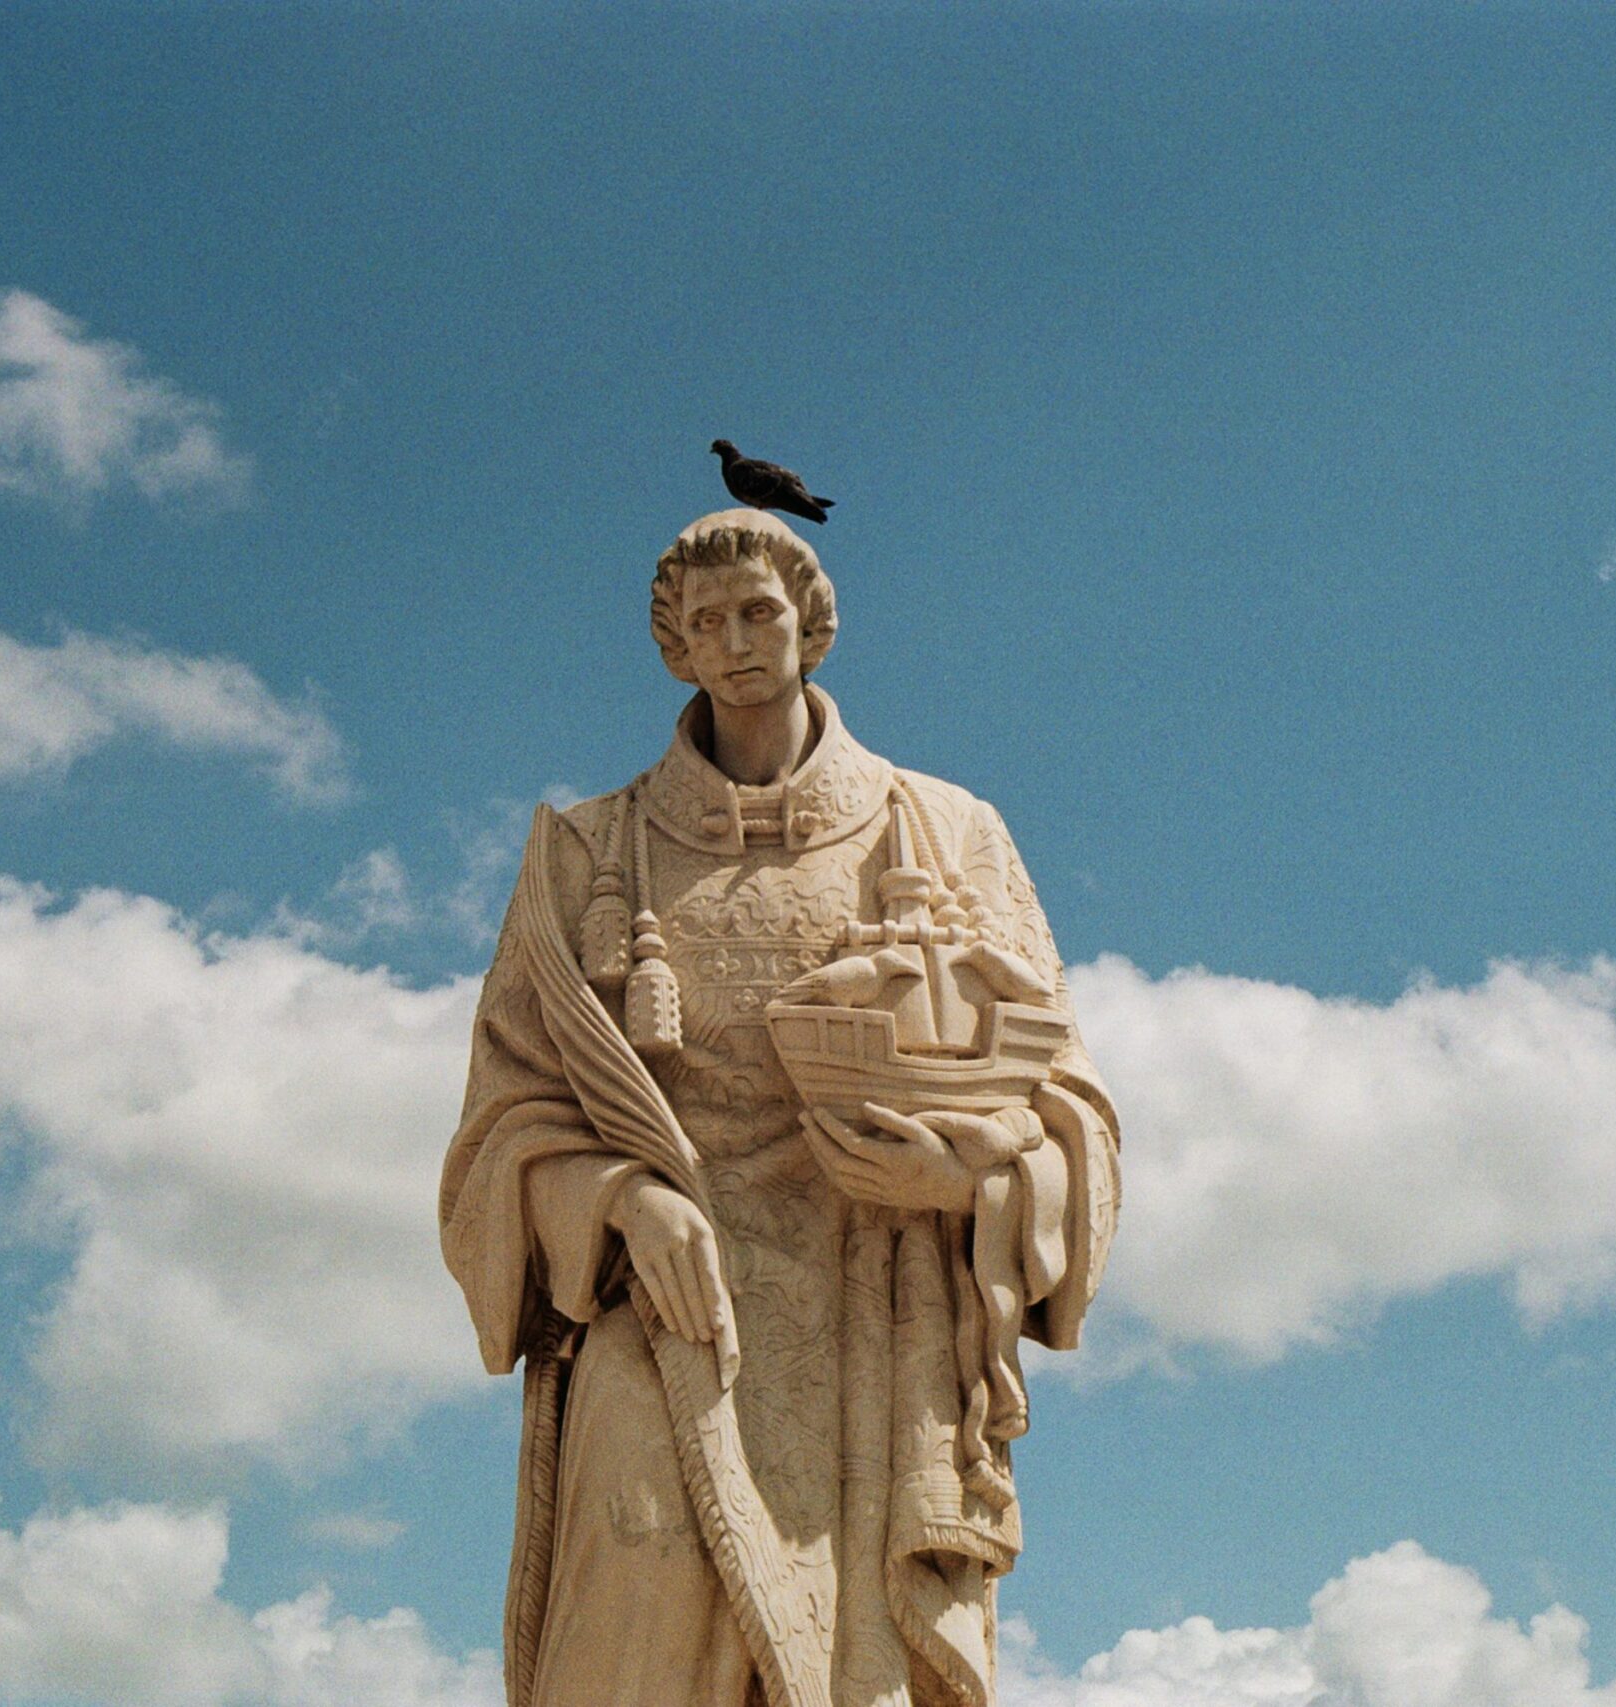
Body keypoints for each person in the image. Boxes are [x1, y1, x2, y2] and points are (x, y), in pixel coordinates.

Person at [439, 509, 1119, 1707]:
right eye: (704, 624)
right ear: (674, 650)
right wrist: (617, 1200)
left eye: (757, 611)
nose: (736, 641)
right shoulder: (585, 854)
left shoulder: (949, 833)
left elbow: (1064, 1103)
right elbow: (503, 1127)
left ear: (809, 623)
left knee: (863, 1657)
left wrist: (967, 1181)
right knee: (634, 1581)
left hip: (880, 1314)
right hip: (660, 1311)